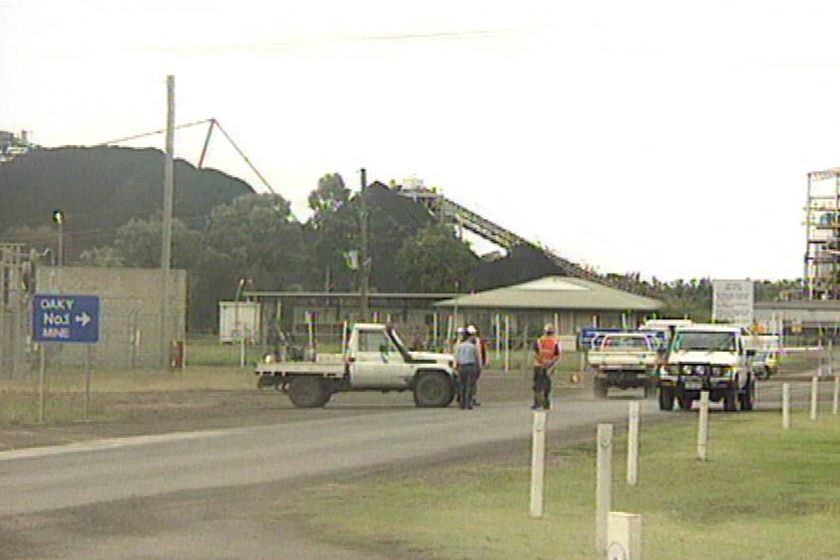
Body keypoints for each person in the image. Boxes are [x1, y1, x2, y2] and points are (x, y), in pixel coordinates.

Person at [532, 324, 561, 410]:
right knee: (546, 385)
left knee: (538, 385)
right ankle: (545, 403)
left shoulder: (539, 341)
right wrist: (550, 363)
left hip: (538, 365)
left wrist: (542, 361)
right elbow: (557, 355)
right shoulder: (555, 342)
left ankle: (537, 403)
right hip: (548, 366)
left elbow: (536, 354)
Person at [454, 328, 481, 410]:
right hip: (470, 366)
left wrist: (456, 366)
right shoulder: (472, 347)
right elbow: (476, 357)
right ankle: (468, 403)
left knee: (462, 385)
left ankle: (462, 403)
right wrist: (478, 367)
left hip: (461, 366)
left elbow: (457, 357)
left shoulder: (459, 346)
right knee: (469, 385)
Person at [466, 324, 488, 406]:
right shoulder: (464, 343)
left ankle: (472, 398)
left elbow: (483, 353)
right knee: (469, 383)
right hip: (468, 363)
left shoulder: (479, 342)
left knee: (473, 382)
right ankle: (468, 398)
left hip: (476, 364)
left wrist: (483, 362)